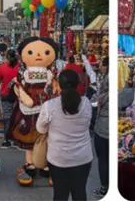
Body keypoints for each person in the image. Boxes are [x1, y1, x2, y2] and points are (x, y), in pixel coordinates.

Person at [36, 69, 93, 201]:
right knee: (80, 193)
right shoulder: (86, 103)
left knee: (60, 194)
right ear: (78, 83)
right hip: (83, 158)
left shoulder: (49, 106)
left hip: (58, 158)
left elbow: (40, 129)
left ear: (58, 84)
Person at [92, 57, 108, 199]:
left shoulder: (104, 91)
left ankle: (105, 188)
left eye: (102, 64)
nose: (100, 66)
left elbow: (96, 103)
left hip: (103, 128)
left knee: (103, 159)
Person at [0, 48, 19, 148]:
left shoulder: (2, 67)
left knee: (7, 117)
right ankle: (17, 139)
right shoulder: (20, 67)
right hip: (19, 95)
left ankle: (7, 140)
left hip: (5, 94)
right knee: (18, 116)